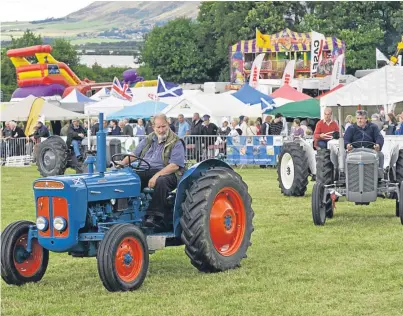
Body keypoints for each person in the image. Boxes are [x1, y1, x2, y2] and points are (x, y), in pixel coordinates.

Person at [119, 113, 185, 230]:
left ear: (168, 124)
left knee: (161, 181)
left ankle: (154, 217)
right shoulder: (150, 138)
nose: (161, 130)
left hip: (168, 172)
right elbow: (134, 154)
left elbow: (174, 165)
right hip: (146, 169)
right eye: (158, 127)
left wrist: (156, 176)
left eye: (163, 126)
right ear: (153, 127)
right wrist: (121, 164)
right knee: (128, 179)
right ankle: (124, 213)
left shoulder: (176, 141)